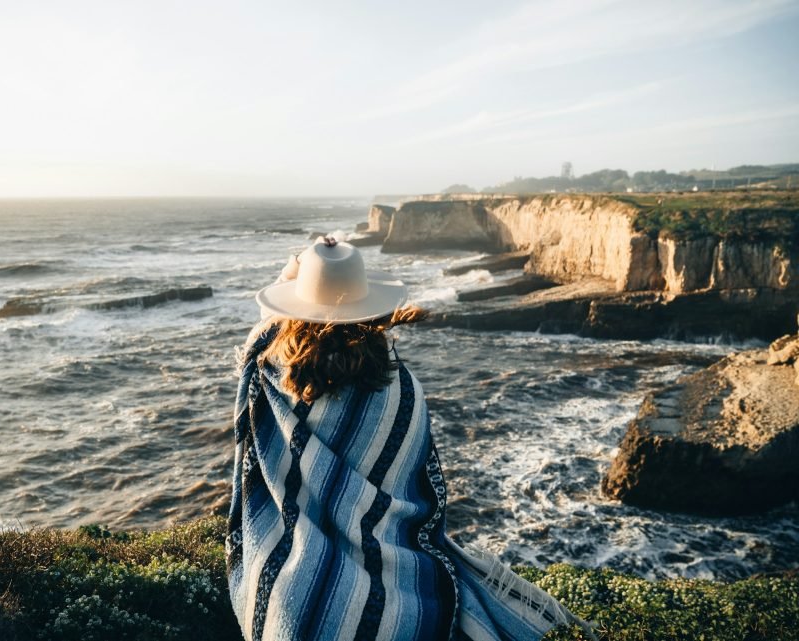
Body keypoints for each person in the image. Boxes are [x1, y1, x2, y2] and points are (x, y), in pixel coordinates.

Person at [226, 237, 592, 641]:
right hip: (401, 588)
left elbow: (263, 330)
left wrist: (295, 272)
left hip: (291, 599)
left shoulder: (271, 374)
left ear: (295, 308)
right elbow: (418, 493)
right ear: (373, 311)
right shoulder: (401, 390)